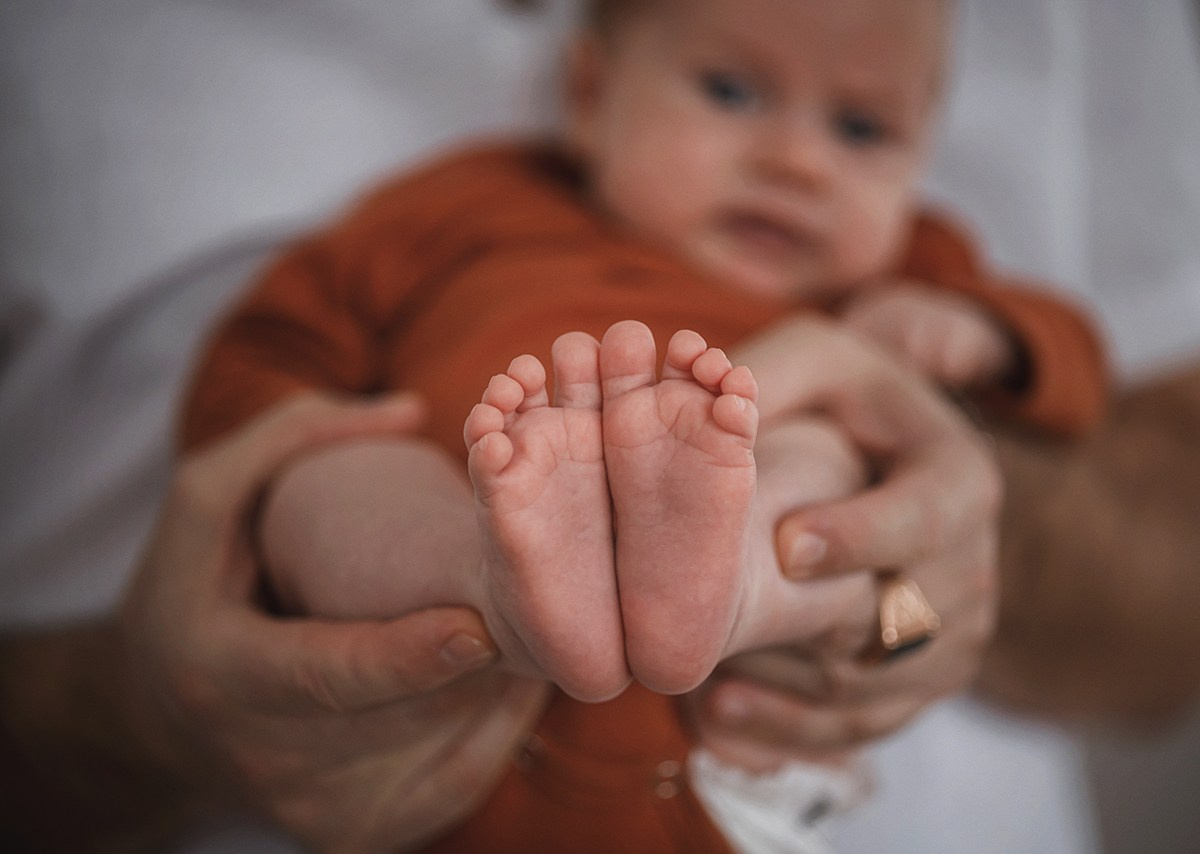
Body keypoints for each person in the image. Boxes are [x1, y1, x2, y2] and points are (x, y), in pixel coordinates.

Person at [3, 0, 1196, 852]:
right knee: (342, 472)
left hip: (724, 763)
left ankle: (716, 580)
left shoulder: (909, 273)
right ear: (588, 95)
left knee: (821, 445)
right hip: (416, 639)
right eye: (729, 91)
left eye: (862, 132)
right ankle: (501, 564)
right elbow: (278, 345)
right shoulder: (464, 205)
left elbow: (1078, 371)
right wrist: (276, 452)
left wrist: (977, 337)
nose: (793, 159)